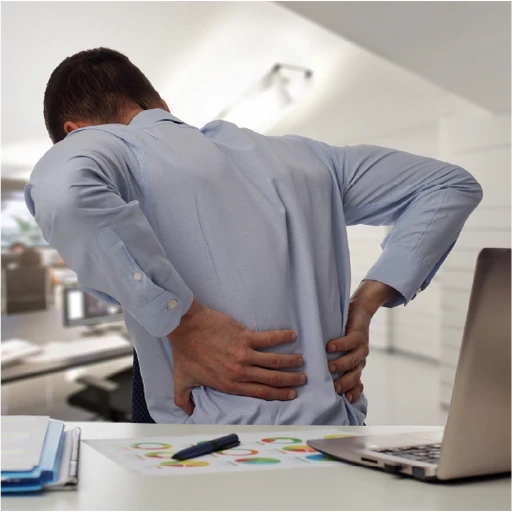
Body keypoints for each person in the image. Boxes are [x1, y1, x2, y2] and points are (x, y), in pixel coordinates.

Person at [25, 48, 482, 425]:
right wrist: (366, 302)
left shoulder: (108, 145)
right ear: (162, 105)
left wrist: (184, 322)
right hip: (339, 437)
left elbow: (64, 195)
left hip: (216, 452)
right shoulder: (306, 158)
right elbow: (449, 185)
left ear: (74, 133)